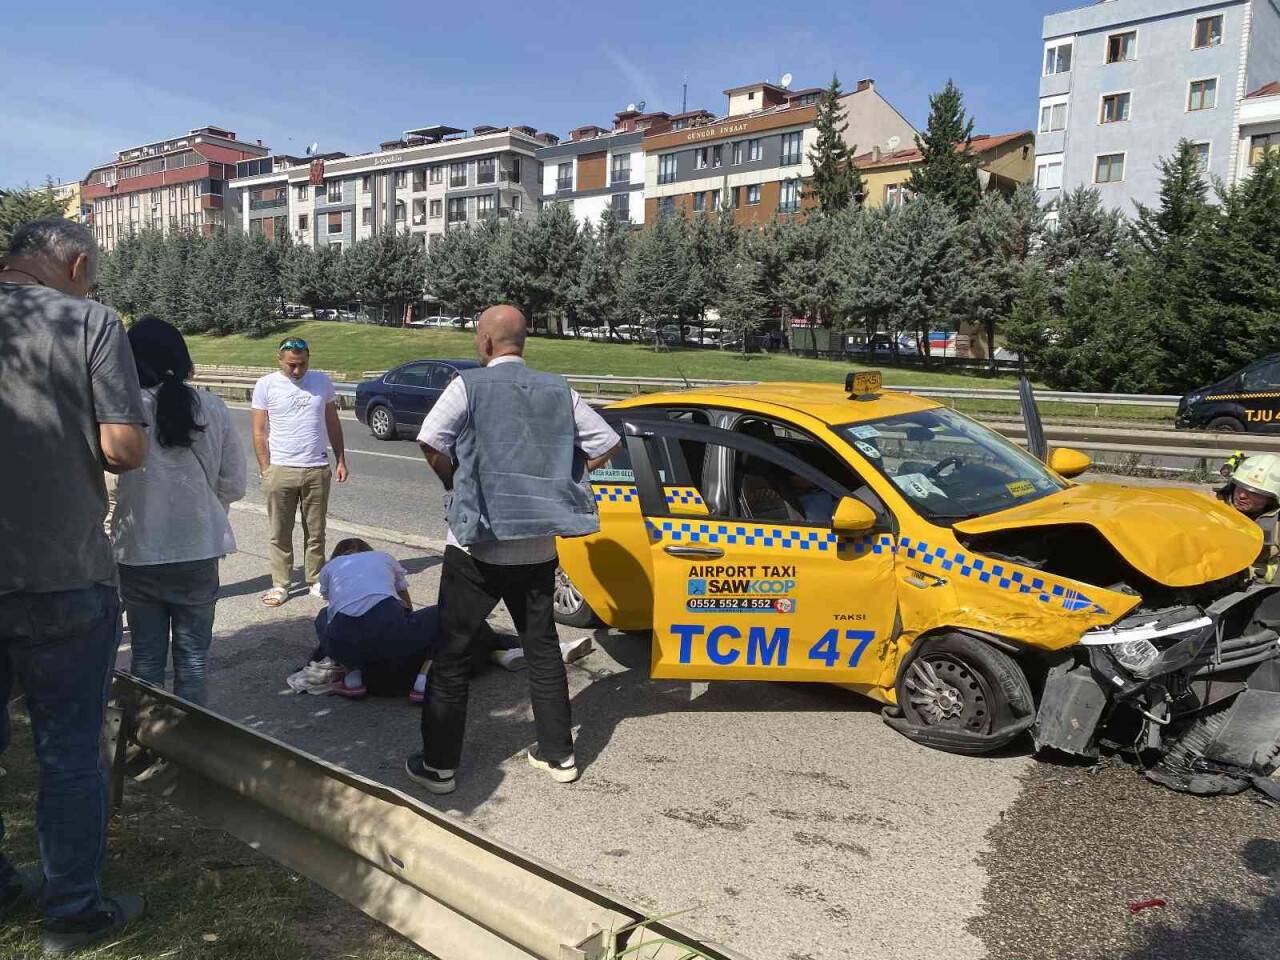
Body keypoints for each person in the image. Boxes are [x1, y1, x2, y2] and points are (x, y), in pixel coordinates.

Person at [0, 218, 148, 952]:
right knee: (67, 750)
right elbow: (124, 447)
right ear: (77, 264)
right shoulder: (89, 321)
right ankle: (73, 913)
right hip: (60, 573)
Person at [406, 304, 620, 794]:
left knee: (453, 653)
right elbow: (605, 442)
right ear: (524, 343)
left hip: (474, 546)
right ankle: (558, 755)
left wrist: (457, 487)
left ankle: (439, 767)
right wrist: (561, 482)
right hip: (537, 548)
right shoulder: (557, 389)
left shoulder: (468, 385)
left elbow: (431, 439)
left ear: (484, 343)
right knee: (542, 649)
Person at [111, 317, 247, 706]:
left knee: (146, 663)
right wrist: (205, 511)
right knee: (193, 663)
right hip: (198, 551)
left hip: (138, 553)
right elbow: (234, 483)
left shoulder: (122, 411)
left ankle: (142, 743)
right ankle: (187, 748)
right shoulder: (212, 406)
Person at [251, 337, 348, 607]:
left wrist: (340, 458)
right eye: (291, 365)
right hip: (280, 469)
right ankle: (281, 584)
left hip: (316, 467)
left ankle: (315, 579)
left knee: (316, 531)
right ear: (279, 360)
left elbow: (332, 422)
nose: (297, 371)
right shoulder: (266, 385)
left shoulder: (322, 382)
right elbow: (259, 432)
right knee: (280, 532)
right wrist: (265, 469)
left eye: (302, 364)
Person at [1218, 453, 1280, 582]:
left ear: (1271, 499)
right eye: (1240, 486)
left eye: (1254, 493)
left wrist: (1259, 574)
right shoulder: (1214, 508)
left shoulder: (1276, 527)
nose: (1241, 495)